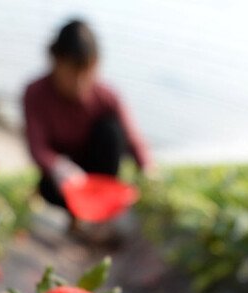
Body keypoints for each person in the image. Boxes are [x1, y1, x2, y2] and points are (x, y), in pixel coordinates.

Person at [23, 20, 152, 215]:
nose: (79, 83)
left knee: (111, 131)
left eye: (86, 73)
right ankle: (77, 217)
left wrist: (148, 169)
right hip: (65, 179)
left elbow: (132, 137)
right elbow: (37, 147)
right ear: (55, 61)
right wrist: (58, 166)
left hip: (98, 175)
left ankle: (100, 211)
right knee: (48, 190)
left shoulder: (106, 96)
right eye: (71, 73)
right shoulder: (36, 94)